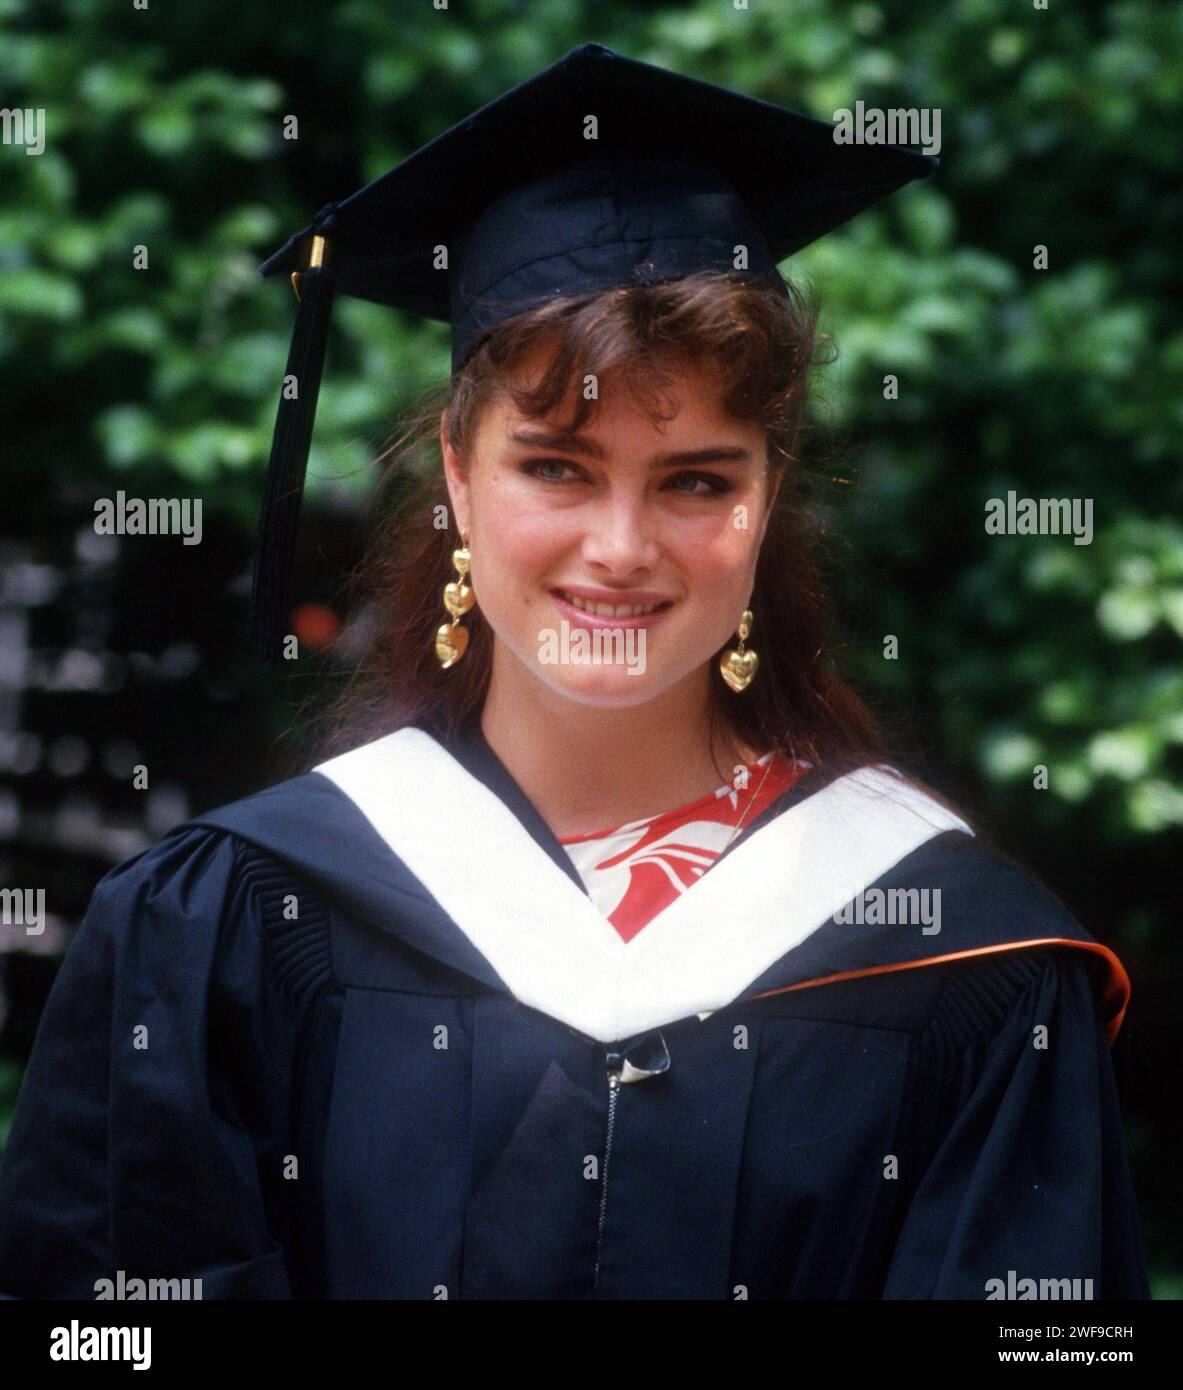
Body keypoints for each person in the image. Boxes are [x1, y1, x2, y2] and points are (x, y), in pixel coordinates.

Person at [0, 44, 1148, 1300]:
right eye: (555, 465)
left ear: (768, 501)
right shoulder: (228, 922)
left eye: (696, 479)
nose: (620, 547)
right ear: (455, 472)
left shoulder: (967, 964)